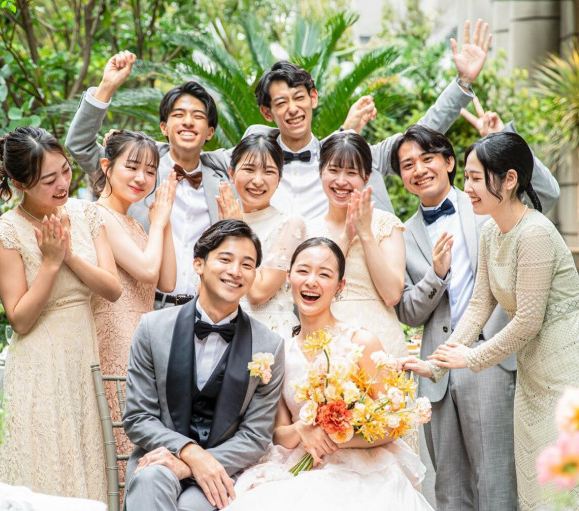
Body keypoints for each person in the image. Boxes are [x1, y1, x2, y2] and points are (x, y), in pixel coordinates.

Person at [184, 237, 498, 511]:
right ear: (289, 278)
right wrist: (302, 430)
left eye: (324, 274)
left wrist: (342, 436)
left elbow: (393, 422)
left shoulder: (361, 342)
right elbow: (279, 432)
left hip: (363, 471)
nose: (311, 281)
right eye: (303, 271)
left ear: (340, 285)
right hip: (297, 469)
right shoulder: (279, 349)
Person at [391, 112, 560, 511]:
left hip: (492, 357)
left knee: (496, 480)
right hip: (440, 365)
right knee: (450, 485)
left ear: (449, 162)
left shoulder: (486, 204)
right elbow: (407, 310)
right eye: (406, 165)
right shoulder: (403, 232)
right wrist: (436, 276)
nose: (418, 169)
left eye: (427, 158)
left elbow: (544, 194)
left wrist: (504, 140)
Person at [122, 219, 285, 511]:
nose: (236, 271)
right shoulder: (152, 329)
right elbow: (138, 417)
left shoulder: (269, 346)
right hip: (159, 465)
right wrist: (190, 454)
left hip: (220, 479)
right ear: (199, 263)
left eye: (247, 264)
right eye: (225, 259)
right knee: (149, 481)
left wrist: (200, 465)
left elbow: (255, 437)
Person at [205, 19, 493, 220]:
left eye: (299, 97)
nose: (292, 109)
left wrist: (462, 83)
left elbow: (418, 137)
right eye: (281, 103)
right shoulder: (249, 161)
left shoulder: (353, 159)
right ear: (268, 112)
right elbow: (194, 157)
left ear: (313, 98)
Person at [0, 126, 121, 501]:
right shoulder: (8, 232)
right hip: (39, 367)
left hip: (83, 360)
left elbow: (112, 289)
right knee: (47, 475)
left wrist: (68, 256)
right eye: (49, 180)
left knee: (87, 471)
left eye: (65, 170)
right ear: (20, 183)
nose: (63, 184)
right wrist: (49, 263)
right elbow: (20, 320)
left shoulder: (85, 213)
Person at [66, 52, 227, 308]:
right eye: (179, 114)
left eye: (197, 116)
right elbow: (79, 144)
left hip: (205, 310)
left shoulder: (224, 179)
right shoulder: (136, 170)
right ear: (164, 127)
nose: (188, 122)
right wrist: (107, 86)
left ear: (209, 132)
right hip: (144, 306)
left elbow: (265, 153)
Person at [90, 129, 177, 497]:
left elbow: (167, 280)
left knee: (138, 440)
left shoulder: (137, 224)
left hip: (142, 341)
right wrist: (159, 222)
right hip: (117, 338)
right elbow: (145, 269)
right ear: (106, 166)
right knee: (122, 439)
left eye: (150, 171)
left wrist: (162, 221)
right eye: (132, 167)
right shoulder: (98, 216)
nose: (142, 178)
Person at [308, 131, 408, 359]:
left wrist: (365, 234)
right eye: (334, 170)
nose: (341, 181)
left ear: (366, 177)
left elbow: (392, 294)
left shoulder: (386, 224)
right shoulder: (309, 230)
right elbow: (314, 287)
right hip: (327, 346)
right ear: (320, 172)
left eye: (351, 173)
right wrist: (347, 236)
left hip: (382, 345)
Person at [217, 133, 305, 338]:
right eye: (249, 169)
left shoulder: (291, 224)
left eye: (268, 172)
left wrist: (237, 228)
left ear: (279, 179)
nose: (258, 181)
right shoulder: (222, 221)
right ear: (231, 173)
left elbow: (258, 293)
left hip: (269, 333)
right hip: (223, 330)